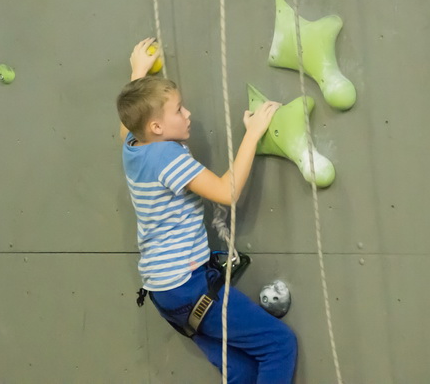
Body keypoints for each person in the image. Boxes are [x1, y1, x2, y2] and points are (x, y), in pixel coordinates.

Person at [116, 37, 298, 383]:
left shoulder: (134, 147)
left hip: (163, 291)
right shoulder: (166, 157)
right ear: (156, 127)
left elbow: (126, 126)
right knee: (279, 344)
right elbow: (226, 192)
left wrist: (138, 73)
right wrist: (253, 133)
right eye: (179, 110)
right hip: (188, 285)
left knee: (241, 372)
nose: (188, 115)